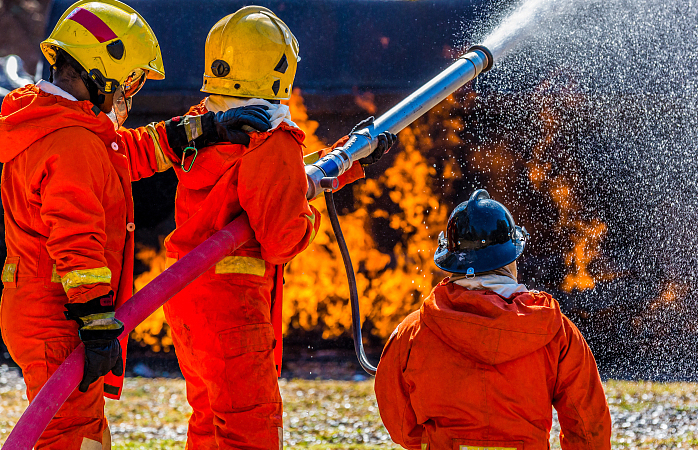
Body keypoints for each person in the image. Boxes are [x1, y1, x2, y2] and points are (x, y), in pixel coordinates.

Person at [0, 1, 272, 448]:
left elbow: (127, 153)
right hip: (59, 315)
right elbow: (75, 237)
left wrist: (204, 129)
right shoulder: (72, 144)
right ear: (102, 71)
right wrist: (94, 320)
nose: (130, 93)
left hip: (41, 305)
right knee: (70, 435)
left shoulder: (54, 123)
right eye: (130, 81)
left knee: (80, 430)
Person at [160, 6, 395, 449]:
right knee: (251, 428)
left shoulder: (204, 125)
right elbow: (282, 237)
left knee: (210, 420)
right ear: (279, 69)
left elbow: (262, 181)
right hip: (234, 309)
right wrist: (308, 214)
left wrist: (347, 160)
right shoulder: (271, 137)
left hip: (187, 297)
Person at [374, 189, 612, 450]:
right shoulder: (556, 330)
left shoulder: (412, 331)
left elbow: (400, 423)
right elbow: (589, 429)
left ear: (451, 259)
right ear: (511, 258)